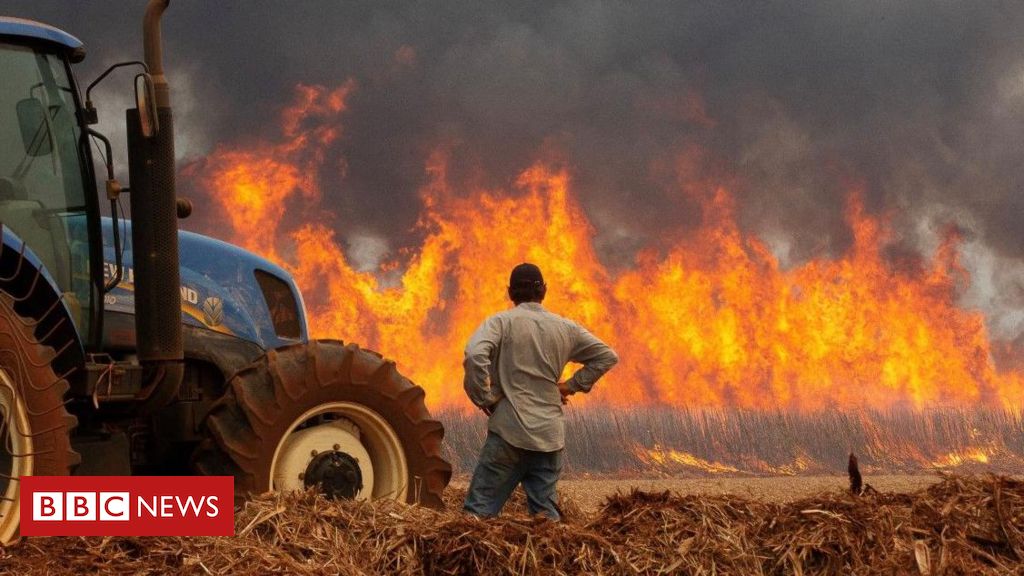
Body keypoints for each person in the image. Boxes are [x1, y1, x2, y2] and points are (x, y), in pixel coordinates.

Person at [462, 262, 618, 520]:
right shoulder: (566, 328)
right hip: (549, 438)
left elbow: (475, 354)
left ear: (510, 292)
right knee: (546, 525)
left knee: (476, 516)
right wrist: (570, 385)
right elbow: (607, 356)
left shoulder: (500, 323)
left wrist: (484, 398)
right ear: (544, 291)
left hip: (508, 433)